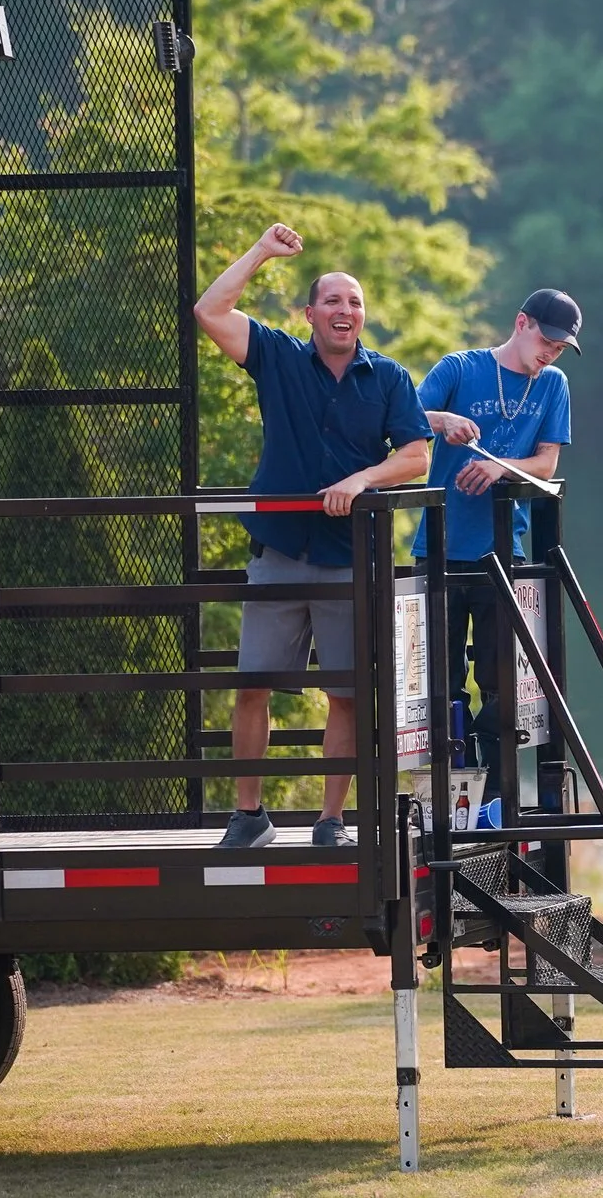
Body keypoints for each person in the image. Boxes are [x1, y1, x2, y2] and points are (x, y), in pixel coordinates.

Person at [192, 223, 430, 849]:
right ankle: (250, 816)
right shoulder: (277, 356)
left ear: (362, 316)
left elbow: (415, 457)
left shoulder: (388, 379)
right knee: (252, 686)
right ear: (311, 313)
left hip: (349, 557)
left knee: (346, 695)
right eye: (332, 300)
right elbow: (209, 310)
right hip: (278, 553)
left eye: (354, 302)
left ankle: (331, 822)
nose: (344, 310)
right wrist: (262, 252)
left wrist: (362, 479)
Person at [412, 290, 578, 761]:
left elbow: (546, 464)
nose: (550, 353)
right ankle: (447, 795)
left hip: (505, 551)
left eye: (560, 347)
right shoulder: (459, 368)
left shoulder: (553, 384)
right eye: (546, 340)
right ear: (521, 323)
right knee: (440, 684)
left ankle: (495, 798)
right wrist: (443, 420)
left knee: (502, 682)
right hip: (441, 546)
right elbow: (399, 422)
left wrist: (500, 467)